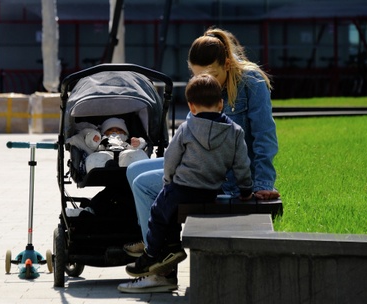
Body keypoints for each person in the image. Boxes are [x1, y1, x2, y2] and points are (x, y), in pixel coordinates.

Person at [118, 27, 280, 293]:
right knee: (134, 170)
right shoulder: (209, 81)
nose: (207, 83)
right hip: (202, 163)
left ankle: (161, 262)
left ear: (227, 63)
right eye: (198, 76)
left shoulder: (251, 82)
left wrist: (261, 182)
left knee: (145, 185)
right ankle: (156, 244)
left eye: (213, 75)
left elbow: (264, 136)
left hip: (222, 175)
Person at [123, 73, 252, 279]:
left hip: (182, 188)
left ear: (191, 107)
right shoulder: (235, 132)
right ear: (220, 104)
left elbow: (171, 158)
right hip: (210, 191)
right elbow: (242, 164)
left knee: (158, 212)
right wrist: (246, 189)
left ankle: (152, 255)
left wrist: (167, 181)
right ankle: (172, 247)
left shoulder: (187, 127)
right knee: (170, 213)